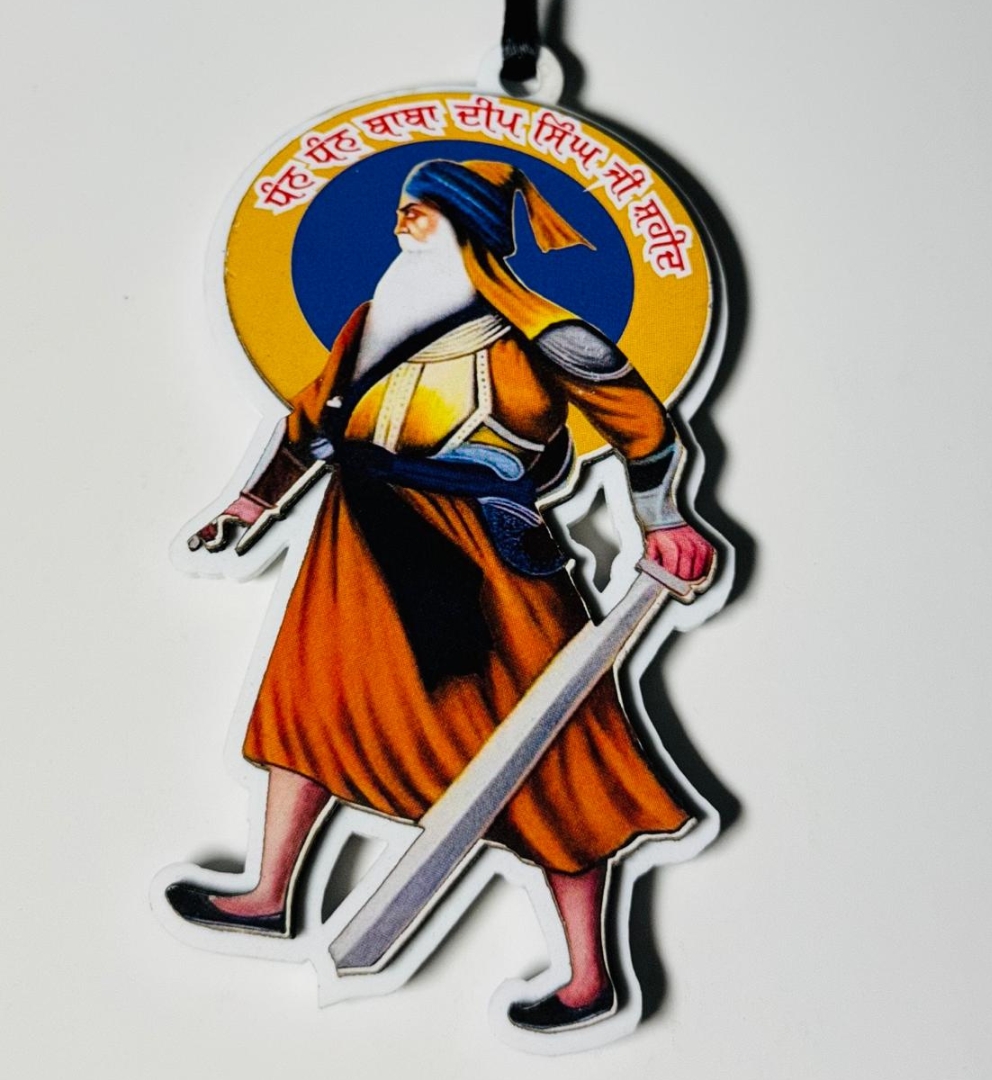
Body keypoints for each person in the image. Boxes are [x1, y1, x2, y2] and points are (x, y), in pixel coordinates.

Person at [168, 159, 714, 1032]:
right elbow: (310, 420)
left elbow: (645, 431)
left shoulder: (547, 336)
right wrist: (250, 504)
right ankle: (270, 893)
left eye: (418, 213)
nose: (400, 226)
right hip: (354, 535)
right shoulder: (369, 324)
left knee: (554, 746)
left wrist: (664, 520)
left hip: (482, 552)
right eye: (400, 211)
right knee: (310, 700)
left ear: (465, 230)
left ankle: (588, 974)